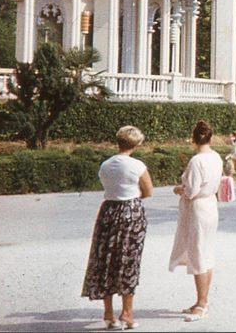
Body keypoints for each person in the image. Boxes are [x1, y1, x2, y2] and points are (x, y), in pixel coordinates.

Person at [82, 125, 153, 330]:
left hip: (108, 211)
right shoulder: (137, 165)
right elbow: (148, 191)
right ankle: (127, 313)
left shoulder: (105, 164)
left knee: (106, 260)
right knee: (128, 261)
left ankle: (108, 313)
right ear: (137, 143)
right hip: (130, 212)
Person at [169, 120, 224, 323]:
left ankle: (201, 303)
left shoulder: (196, 161)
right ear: (210, 138)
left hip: (197, 208)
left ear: (193, 139)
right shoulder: (216, 157)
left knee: (198, 253)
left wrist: (178, 189)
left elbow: (191, 191)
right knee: (206, 252)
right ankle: (203, 300)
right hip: (210, 205)